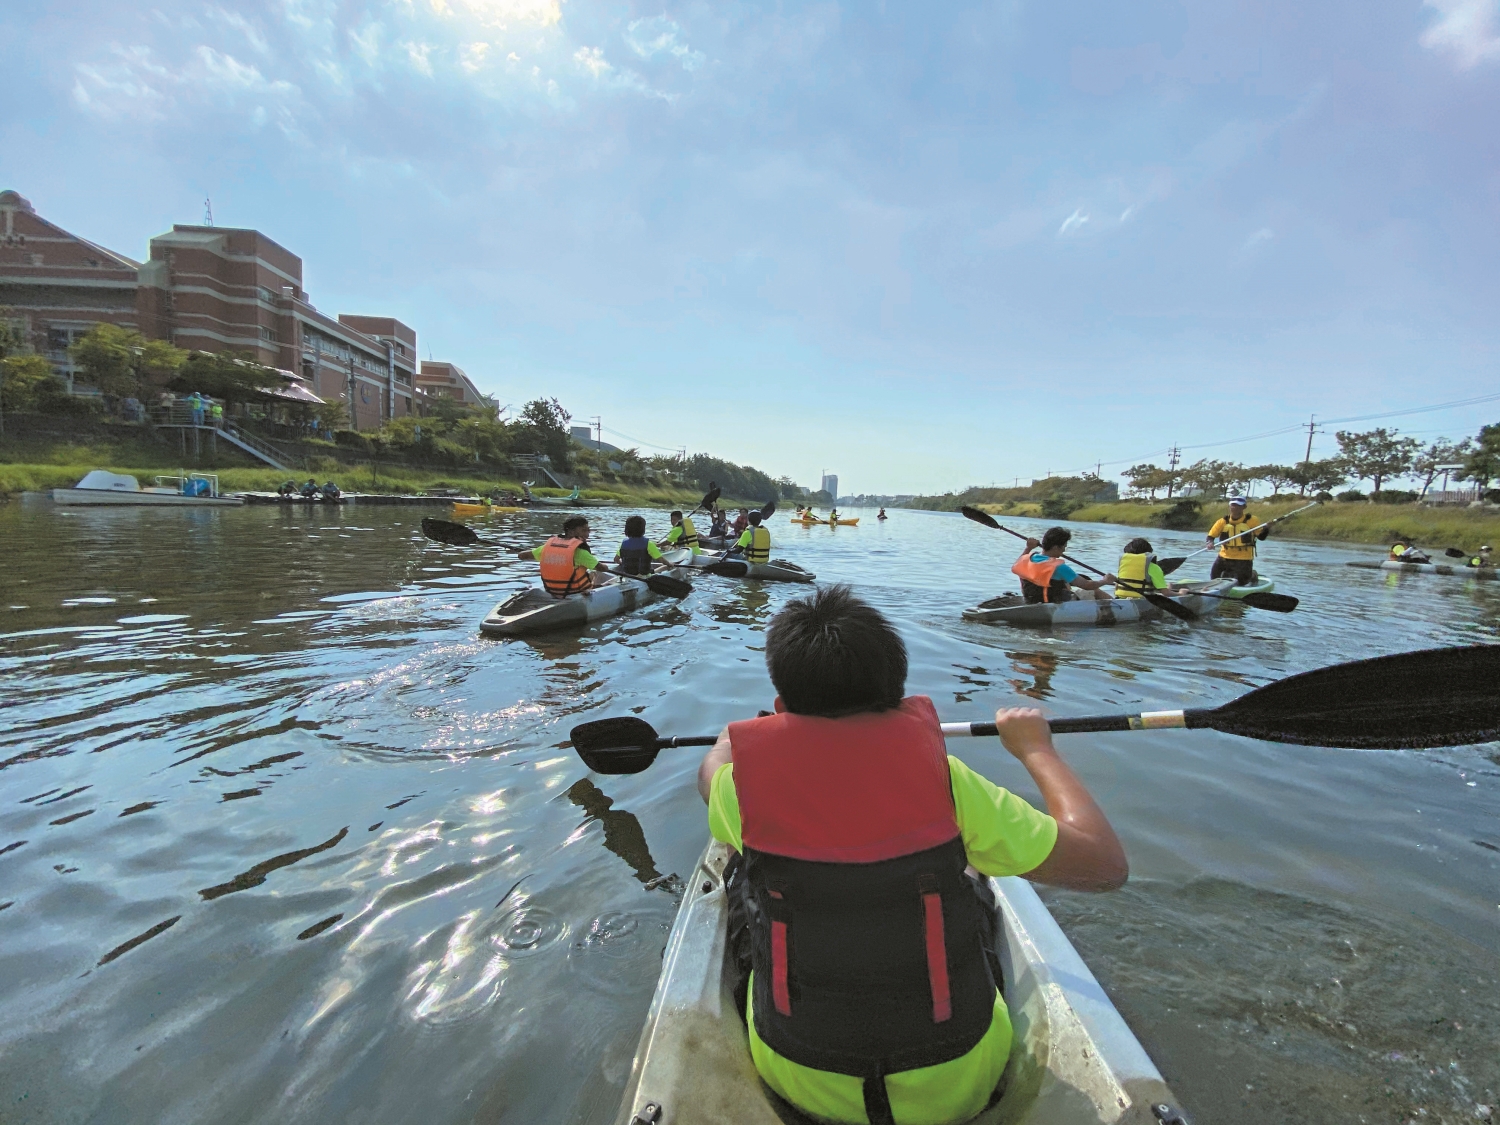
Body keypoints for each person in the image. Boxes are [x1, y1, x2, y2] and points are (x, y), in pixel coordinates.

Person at [695, 585, 1126, 1125]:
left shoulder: (740, 789)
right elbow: (1105, 867)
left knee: (743, 874)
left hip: (800, 1078)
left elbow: (709, 779)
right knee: (966, 868)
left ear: (782, 709)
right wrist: (1036, 749)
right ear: (897, 695)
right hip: (959, 1082)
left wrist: (726, 745)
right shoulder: (948, 784)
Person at [1011, 527, 1115, 603]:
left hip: (1031, 600)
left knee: (1066, 584)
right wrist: (1105, 581)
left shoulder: (1026, 559)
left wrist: (1028, 548)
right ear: (1056, 547)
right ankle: (1120, 605)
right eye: (1064, 546)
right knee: (1094, 590)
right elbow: (1087, 585)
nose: (1064, 550)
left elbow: (1019, 562)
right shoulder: (1058, 566)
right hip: (1054, 603)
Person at [517, 515, 606, 596]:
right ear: (571, 532)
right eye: (583, 530)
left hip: (551, 591)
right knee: (596, 574)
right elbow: (602, 568)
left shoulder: (546, 548)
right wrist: (602, 565)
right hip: (575, 592)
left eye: (588, 530)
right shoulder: (580, 552)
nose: (587, 534)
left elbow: (521, 555)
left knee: (590, 573)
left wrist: (538, 552)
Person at [1205, 496, 1267, 586]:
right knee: (1214, 578)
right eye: (1233, 505)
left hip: (1244, 558)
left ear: (1244, 507)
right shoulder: (1222, 521)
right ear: (1229, 506)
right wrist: (1209, 543)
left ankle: (1252, 575)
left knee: (1242, 582)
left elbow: (1261, 537)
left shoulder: (1252, 520)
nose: (1234, 507)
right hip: (1224, 557)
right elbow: (1210, 536)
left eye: (1238, 505)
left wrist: (1266, 528)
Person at [1112, 538, 1183, 598]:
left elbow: (1116, 588)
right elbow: (1166, 593)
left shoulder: (1123, 564)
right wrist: (1181, 593)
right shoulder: (1154, 567)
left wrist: (1168, 588)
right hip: (1143, 601)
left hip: (1120, 598)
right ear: (1148, 553)